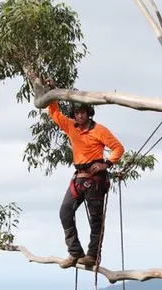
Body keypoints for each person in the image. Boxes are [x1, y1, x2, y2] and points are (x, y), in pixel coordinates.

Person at [43, 79, 125, 269]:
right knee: (65, 212)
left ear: (89, 113)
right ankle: (75, 253)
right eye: (77, 113)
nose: (79, 115)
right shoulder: (71, 126)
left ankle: (92, 256)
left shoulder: (99, 130)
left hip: (95, 179)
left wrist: (107, 163)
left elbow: (118, 148)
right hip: (79, 177)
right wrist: (52, 92)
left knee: (96, 220)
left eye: (83, 112)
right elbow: (54, 113)